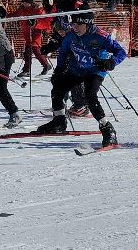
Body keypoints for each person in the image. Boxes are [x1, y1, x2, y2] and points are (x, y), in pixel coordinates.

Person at [35, 12, 126, 148]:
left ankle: (107, 129)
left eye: (79, 24)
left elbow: (121, 52)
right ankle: (59, 121)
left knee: (90, 96)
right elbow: (63, 52)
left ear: (88, 24)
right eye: (73, 24)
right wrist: (59, 70)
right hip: (77, 69)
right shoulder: (71, 35)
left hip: (95, 71)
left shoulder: (101, 36)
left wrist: (111, 62)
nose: (75, 27)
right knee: (58, 89)